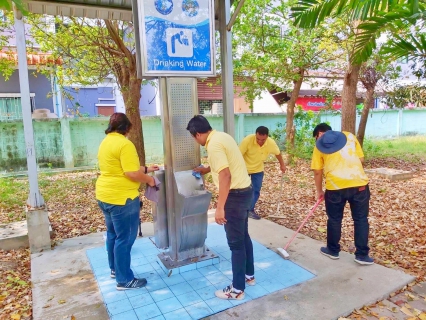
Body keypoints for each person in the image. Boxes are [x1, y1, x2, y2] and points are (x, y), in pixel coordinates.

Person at [188, 115, 255, 300]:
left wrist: (220, 207)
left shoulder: (213, 145)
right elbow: (227, 164)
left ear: (198, 134)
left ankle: (237, 289)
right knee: (243, 237)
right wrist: (208, 169)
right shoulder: (222, 137)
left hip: (234, 196)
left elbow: (225, 175)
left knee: (235, 244)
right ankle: (249, 276)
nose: (195, 141)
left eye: (194, 137)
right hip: (246, 191)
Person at [96, 113, 159, 290]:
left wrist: (146, 168)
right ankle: (124, 280)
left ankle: (115, 270)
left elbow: (122, 167)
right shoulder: (125, 144)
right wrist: (149, 179)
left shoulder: (106, 142)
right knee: (125, 239)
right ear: (127, 128)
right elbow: (131, 173)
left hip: (105, 196)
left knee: (113, 235)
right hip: (122, 199)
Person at [311, 123, 374, 265]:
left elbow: (317, 171)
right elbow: (361, 159)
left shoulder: (320, 145)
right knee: (361, 219)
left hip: (335, 187)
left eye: (316, 137)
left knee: (334, 219)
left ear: (320, 134)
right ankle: (362, 255)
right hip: (359, 185)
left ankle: (333, 250)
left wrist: (319, 191)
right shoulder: (350, 136)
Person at [239, 126, 286, 219]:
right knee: (241, 189)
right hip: (244, 168)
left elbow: (278, 153)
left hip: (258, 169)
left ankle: (250, 210)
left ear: (267, 137)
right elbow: (238, 154)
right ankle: (240, 209)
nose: (260, 141)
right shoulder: (247, 140)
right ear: (255, 135)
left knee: (256, 190)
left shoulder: (271, 143)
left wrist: (282, 165)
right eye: (258, 139)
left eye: (263, 140)